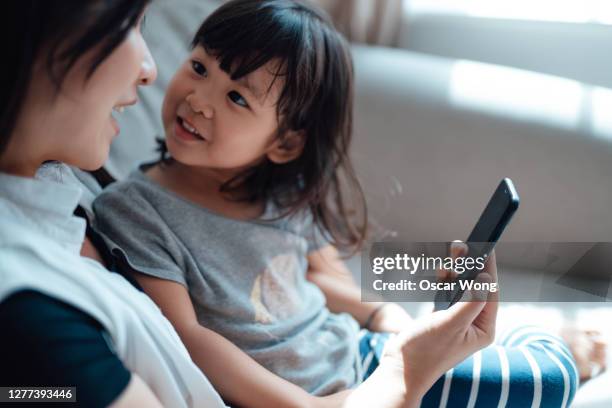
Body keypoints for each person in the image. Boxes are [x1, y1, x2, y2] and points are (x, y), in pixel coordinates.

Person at [0, 1, 502, 407]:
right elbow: (186, 338)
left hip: (355, 356)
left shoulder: (59, 191)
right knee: (543, 369)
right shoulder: (91, 251)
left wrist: (391, 322)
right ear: (39, 47)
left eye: (238, 97)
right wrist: (397, 374)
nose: (154, 72)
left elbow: (320, 278)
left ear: (284, 144)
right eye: (197, 67)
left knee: (527, 348)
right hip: (336, 388)